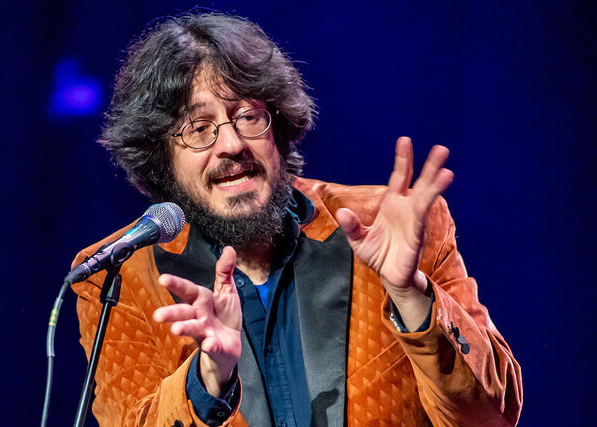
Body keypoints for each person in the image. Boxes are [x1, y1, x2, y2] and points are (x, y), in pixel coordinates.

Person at [71, 13, 523, 426]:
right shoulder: (118, 277)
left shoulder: (392, 225)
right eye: (199, 128)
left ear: (279, 125)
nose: (231, 144)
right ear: (160, 158)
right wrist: (209, 378)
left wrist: (411, 295)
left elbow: (492, 418)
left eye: (248, 116)